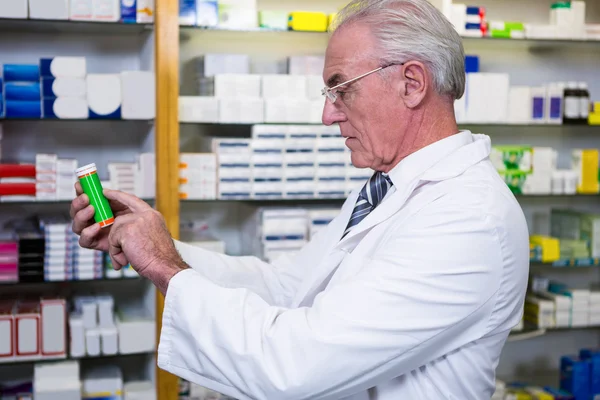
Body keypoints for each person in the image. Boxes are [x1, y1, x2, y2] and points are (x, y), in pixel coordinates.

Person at [71, 0, 530, 398]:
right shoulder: (387, 187)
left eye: (341, 88)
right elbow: (289, 288)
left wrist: (164, 266)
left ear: (411, 83)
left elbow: (297, 364)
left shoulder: (468, 218)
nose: (328, 115)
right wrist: (155, 246)